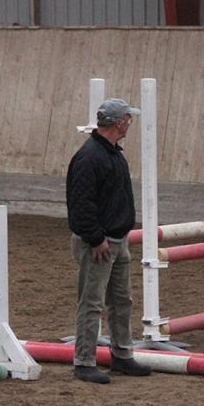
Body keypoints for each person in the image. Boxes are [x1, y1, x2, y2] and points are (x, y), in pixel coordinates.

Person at [65, 98, 153, 384]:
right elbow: (81, 204)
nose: (130, 123)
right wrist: (95, 238)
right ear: (119, 122)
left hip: (115, 239)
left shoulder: (110, 153)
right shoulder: (91, 157)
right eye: (128, 119)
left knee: (121, 300)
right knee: (92, 302)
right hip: (100, 243)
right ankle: (84, 360)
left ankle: (122, 354)